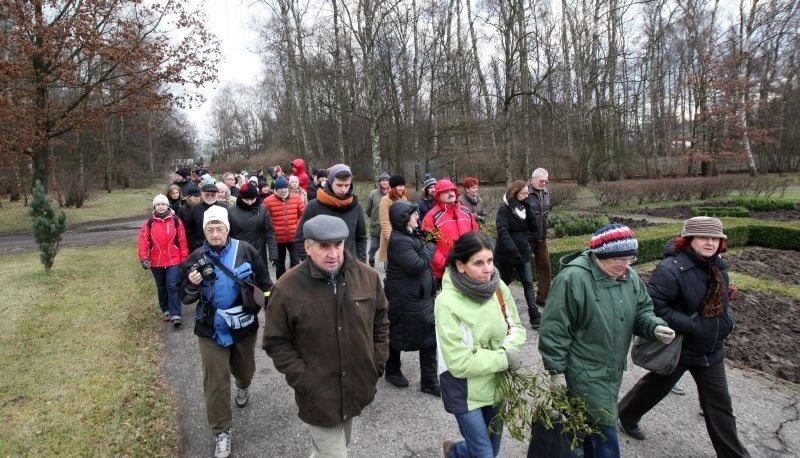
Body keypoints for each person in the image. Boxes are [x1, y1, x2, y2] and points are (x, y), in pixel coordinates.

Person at [617, 217, 750, 457]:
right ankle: (625, 415)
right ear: (689, 239)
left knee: (720, 408)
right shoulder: (671, 269)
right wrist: (691, 325)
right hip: (682, 348)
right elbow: (654, 304)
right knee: (655, 387)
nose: (710, 243)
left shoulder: (717, 266)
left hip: (712, 348)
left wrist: (727, 320)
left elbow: (721, 302)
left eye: (715, 238)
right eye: (703, 237)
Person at [538, 224, 674, 458]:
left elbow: (642, 309)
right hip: (583, 370)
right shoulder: (573, 278)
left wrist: (654, 326)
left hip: (612, 369)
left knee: (587, 429)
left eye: (630, 259)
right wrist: (556, 372)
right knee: (604, 430)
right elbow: (555, 329)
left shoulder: (628, 277)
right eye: (620, 259)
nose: (625, 265)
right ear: (600, 255)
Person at [264, 215, 389, 457]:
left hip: (356, 386)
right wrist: (304, 379)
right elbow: (276, 341)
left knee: (337, 446)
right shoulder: (287, 288)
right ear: (308, 248)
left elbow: (381, 321)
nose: (333, 253)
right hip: (318, 394)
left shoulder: (367, 277)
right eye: (324, 246)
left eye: (338, 245)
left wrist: (376, 362)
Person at [179, 206, 272, 458]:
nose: (215, 233)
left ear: (227, 229)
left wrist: (271, 311)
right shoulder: (196, 257)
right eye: (210, 228)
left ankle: (243, 385)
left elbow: (265, 285)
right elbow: (184, 297)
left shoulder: (245, 251)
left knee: (245, 370)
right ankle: (222, 432)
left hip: (243, 325)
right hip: (210, 328)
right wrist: (191, 283)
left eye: (219, 228)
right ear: (204, 230)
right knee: (216, 382)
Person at [436, 231, 526, 458]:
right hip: (464, 389)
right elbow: (459, 362)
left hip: (496, 383)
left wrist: (507, 349)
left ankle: (454, 452)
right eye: (478, 263)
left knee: (490, 450)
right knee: (484, 454)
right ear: (460, 265)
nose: (488, 269)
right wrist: (504, 358)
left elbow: (515, 327)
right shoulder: (447, 302)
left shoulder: (497, 287)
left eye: (490, 260)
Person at [383, 200, 439, 395]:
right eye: (414, 215)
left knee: (429, 337)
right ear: (403, 219)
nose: (418, 217)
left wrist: (426, 238)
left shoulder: (410, 234)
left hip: (419, 297)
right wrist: (431, 246)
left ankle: (429, 382)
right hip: (404, 300)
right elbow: (415, 265)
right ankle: (391, 370)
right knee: (398, 334)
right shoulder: (398, 240)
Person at [294, 163, 368, 263]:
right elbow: (300, 237)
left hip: (350, 265)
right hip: (320, 265)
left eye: (347, 185)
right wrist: (309, 262)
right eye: (339, 185)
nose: (343, 189)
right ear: (330, 182)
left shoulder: (356, 206)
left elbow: (361, 238)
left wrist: (360, 262)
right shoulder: (314, 206)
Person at [495, 180, 541, 329]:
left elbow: (533, 228)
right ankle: (499, 314)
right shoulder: (504, 209)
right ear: (515, 193)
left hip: (523, 252)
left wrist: (529, 209)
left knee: (528, 283)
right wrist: (512, 250)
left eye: (527, 193)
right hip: (507, 253)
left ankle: (535, 317)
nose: (527, 195)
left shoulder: (523, 207)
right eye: (524, 193)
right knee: (503, 285)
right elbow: (503, 231)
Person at [138, 194, 189, 326]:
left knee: (172, 285)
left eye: (163, 204)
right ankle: (165, 309)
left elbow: (182, 241)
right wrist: (143, 257)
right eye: (158, 204)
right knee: (161, 287)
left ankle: (176, 314)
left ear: (167, 205)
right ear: (154, 206)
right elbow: (144, 241)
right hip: (156, 260)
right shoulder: (149, 223)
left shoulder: (176, 221)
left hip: (173, 260)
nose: (161, 207)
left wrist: (184, 258)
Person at [420, 178, 478, 288]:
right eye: (446, 191)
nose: (451, 193)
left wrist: (474, 257)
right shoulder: (431, 217)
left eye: (452, 190)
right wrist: (445, 263)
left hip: (468, 266)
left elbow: (476, 235)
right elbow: (428, 245)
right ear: (438, 195)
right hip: (444, 271)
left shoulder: (465, 211)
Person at [227, 182, 278, 270]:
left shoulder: (262, 209)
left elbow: (270, 232)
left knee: (261, 278)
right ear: (241, 198)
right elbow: (228, 235)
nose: (250, 202)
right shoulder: (231, 212)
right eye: (246, 200)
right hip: (239, 252)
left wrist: (273, 253)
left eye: (252, 199)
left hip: (259, 250)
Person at [263, 176, 305, 279]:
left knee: (296, 261)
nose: (283, 190)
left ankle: (296, 282)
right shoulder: (268, 201)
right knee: (280, 264)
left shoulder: (297, 198)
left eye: (285, 187)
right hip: (278, 238)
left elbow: (303, 214)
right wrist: (273, 229)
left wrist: (297, 226)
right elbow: (266, 219)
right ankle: (281, 285)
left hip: (294, 236)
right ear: (276, 189)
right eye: (281, 188)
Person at [524, 168, 552, 307]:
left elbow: (545, 212)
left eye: (546, 181)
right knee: (517, 267)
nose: (544, 183)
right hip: (526, 238)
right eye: (541, 181)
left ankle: (542, 297)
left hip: (541, 237)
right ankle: (500, 290)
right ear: (532, 179)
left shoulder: (546, 192)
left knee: (545, 267)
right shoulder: (523, 192)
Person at [184, 183, 229, 252]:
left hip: (221, 245)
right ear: (202, 194)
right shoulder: (194, 209)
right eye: (207, 195)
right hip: (200, 246)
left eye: (212, 195)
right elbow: (188, 228)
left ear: (217, 194)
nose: (210, 197)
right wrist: (193, 244)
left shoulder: (225, 208)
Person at [377, 174, 407, 264]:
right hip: (390, 240)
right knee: (390, 268)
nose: (402, 188)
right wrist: (392, 240)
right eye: (400, 186)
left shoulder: (404, 198)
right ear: (393, 187)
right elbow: (384, 222)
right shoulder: (385, 200)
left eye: (403, 185)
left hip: (402, 238)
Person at [365, 171, 390, 267]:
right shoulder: (373, 194)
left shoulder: (392, 194)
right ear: (379, 182)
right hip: (376, 225)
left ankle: (387, 268)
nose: (385, 182)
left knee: (387, 249)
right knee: (374, 246)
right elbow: (368, 210)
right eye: (383, 180)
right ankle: (371, 258)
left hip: (388, 226)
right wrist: (374, 219)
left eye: (387, 180)